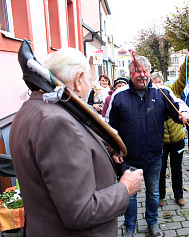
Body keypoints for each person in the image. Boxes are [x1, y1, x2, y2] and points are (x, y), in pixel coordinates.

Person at [10, 48, 143, 237]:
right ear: (78, 79)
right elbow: (81, 212)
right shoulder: (57, 122)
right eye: (89, 81)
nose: (89, 86)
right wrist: (125, 188)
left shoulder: (30, 109)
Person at [106, 56, 189, 237]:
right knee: (129, 194)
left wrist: (184, 114)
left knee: (153, 193)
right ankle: (129, 226)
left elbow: (178, 106)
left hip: (154, 155)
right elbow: (109, 127)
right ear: (130, 73)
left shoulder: (161, 92)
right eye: (138, 71)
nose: (142, 75)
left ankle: (152, 223)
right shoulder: (119, 96)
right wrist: (114, 150)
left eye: (145, 71)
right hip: (128, 157)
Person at [151, 49, 189, 208]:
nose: (158, 86)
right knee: (160, 169)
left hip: (177, 139)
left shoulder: (172, 90)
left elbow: (182, 79)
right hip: (161, 141)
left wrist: (188, 60)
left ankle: (179, 195)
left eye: (159, 82)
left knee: (177, 168)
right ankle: (160, 195)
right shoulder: (150, 96)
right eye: (155, 83)